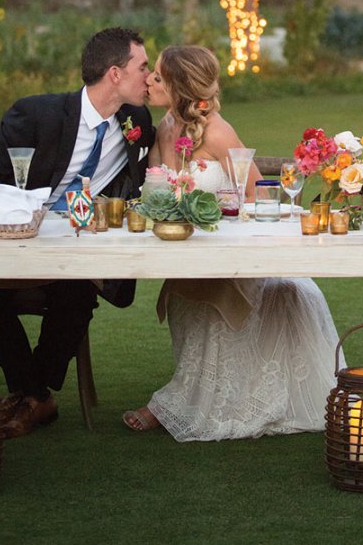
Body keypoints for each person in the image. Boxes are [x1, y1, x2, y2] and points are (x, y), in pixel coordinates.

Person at [122, 45, 341, 441]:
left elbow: (258, 192)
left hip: (229, 252)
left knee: (257, 291)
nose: (150, 81)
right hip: (184, 252)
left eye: (158, 76)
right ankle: (185, 396)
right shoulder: (165, 126)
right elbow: (155, 186)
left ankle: (177, 404)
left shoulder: (218, 132)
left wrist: (224, 208)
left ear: (179, 86)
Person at [0, 27, 155, 438]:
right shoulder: (35, 114)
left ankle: (29, 396)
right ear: (115, 74)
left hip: (77, 247)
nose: (149, 76)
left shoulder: (136, 120)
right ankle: (36, 394)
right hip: (20, 239)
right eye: (143, 67)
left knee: (78, 290)